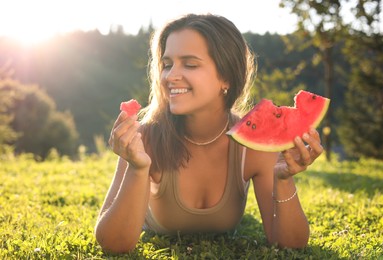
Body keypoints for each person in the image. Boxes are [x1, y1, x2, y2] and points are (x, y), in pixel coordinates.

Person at [94, 13, 324, 253]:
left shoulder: (253, 147)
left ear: (226, 77)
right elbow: (113, 245)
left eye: (190, 64)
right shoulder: (143, 139)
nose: (171, 76)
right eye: (167, 64)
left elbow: (290, 245)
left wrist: (284, 180)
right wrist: (137, 168)